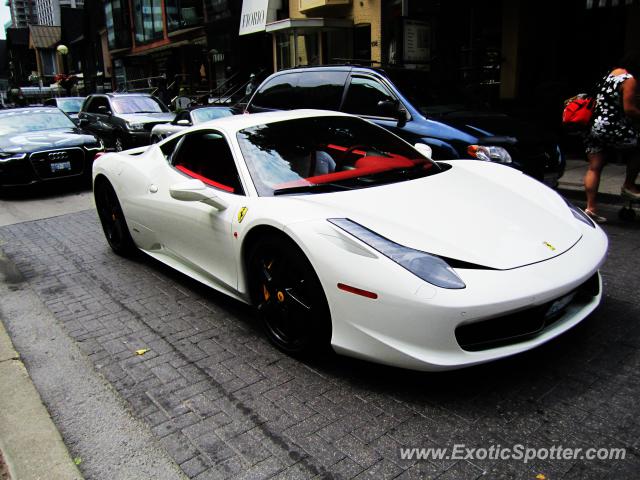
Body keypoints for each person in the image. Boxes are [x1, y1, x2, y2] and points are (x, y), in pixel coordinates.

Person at [583, 51, 640, 223]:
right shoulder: (629, 79)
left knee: (595, 166)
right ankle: (629, 185)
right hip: (613, 127)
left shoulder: (608, 76)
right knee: (638, 146)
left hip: (595, 126)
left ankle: (591, 208)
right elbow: (629, 109)